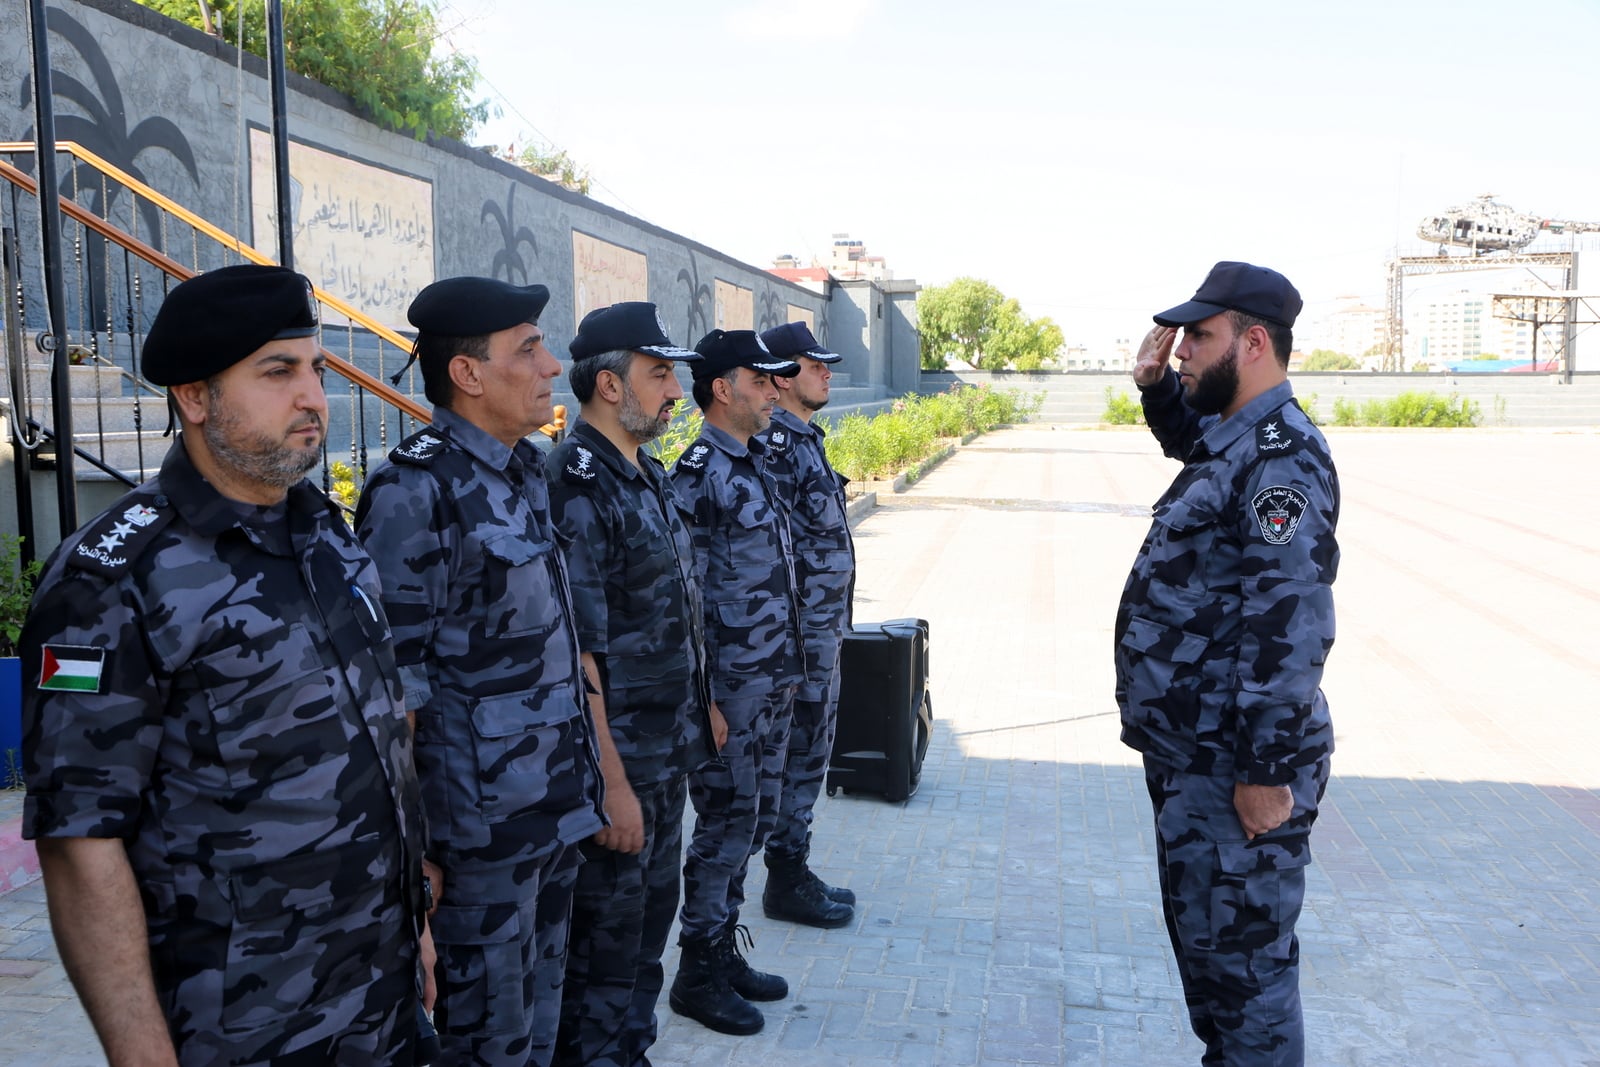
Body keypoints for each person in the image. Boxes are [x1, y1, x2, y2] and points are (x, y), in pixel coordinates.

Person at [18, 264, 430, 1065]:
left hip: (381, 1001)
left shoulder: (329, 538)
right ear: (195, 398)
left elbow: (388, 750)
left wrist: (416, 940)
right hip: (242, 1024)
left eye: (315, 367)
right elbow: (79, 838)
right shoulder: (112, 581)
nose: (313, 395)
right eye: (277, 372)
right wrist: (141, 1053)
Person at [355, 276, 605, 1067]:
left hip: (553, 810)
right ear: (468, 374)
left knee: (537, 1029)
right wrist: (416, 851)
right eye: (528, 349)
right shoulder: (413, 492)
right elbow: (399, 689)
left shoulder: (524, 470)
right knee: (482, 1043)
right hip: (478, 839)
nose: (551, 366)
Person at [1115, 261, 1339, 1066]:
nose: (1179, 351)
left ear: (1252, 342)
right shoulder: (1238, 437)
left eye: (1197, 338)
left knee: (1248, 983)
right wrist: (1155, 390)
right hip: (1195, 759)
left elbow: (1290, 628)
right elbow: (1196, 446)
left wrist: (1264, 770)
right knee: (1214, 971)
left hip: (1235, 769)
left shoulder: (1283, 458)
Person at [546, 302, 713, 1066]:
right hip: (618, 761)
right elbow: (580, 650)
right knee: (605, 943)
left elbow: (676, 605)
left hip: (664, 747)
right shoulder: (578, 484)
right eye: (660, 373)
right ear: (609, 385)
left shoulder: (642, 472)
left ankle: (630, 1050)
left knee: (650, 922)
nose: (677, 388)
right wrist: (608, 778)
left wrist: (702, 702)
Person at [667, 329, 803, 1036]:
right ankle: (697, 968)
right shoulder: (698, 474)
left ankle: (724, 943)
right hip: (730, 690)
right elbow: (684, 596)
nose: (774, 390)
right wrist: (705, 697)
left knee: (751, 819)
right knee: (723, 823)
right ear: (723, 388)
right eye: (762, 379)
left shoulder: (752, 462)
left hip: (771, 677)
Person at [754, 321, 856, 928]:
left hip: (822, 635)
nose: (826, 373)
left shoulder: (805, 440)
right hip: (794, 643)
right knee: (791, 758)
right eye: (814, 365)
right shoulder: (774, 447)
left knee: (811, 755)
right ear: (782, 377)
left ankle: (793, 867)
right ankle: (783, 877)